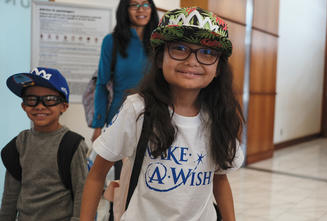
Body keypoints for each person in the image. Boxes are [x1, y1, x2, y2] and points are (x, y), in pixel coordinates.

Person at [81, 7, 244, 221]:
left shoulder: (219, 115)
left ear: (218, 68)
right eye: (179, 48)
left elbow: (220, 179)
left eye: (207, 52)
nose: (192, 61)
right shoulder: (137, 109)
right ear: (159, 59)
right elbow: (97, 174)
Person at [0, 67, 88, 220]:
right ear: (24, 106)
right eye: (32, 100)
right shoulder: (18, 145)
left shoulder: (72, 144)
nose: (40, 106)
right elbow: (10, 196)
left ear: (64, 106)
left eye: (49, 100)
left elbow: (82, 193)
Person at [91, 0, 159, 141]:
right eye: (135, 5)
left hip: (155, 116)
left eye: (146, 4)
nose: (141, 9)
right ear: (125, 10)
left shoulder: (160, 41)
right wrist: (98, 125)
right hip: (119, 116)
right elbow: (102, 84)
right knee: (121, 163)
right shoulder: (111, 41)